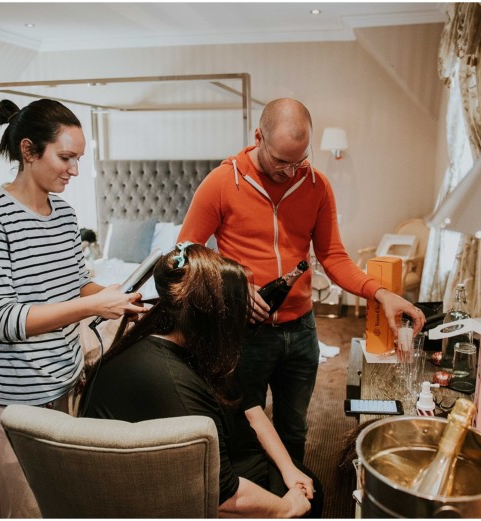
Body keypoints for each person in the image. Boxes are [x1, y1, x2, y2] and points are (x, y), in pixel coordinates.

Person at [177, 98, 426, 462]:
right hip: (244, 333)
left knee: (294, 429)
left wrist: (381, 293)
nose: (291, 171)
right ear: (258, 137)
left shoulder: (316, 186)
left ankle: (292, 498)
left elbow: (334, 257)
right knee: (244, 427)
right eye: (281, 161)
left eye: (299, 160)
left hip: (301, 332)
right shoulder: (221, 182)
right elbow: (184, 254)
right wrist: (233, 288)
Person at [0, 99, 146, 518]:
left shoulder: (63, 214)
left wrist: (116, 296)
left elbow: (75, 283)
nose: (74, 170)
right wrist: (92, 306)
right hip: (15, 401)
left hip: (64, 383)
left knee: (62, 501)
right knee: (22, 510)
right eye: (66, 157)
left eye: (78, 159)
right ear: (28, 151)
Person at [83, 243, 321, 517]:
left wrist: (289, 468)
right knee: (309, 505)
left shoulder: (188, 340)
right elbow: (221, 495)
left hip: (220, 468)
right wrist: (284, 509)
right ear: (214, 315)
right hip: (188, 494)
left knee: (306, 482)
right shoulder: (174, 386)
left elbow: (251, 408)